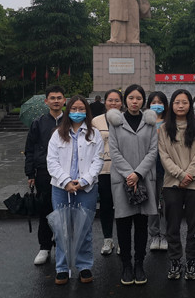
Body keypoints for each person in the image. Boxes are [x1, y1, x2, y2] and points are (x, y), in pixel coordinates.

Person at [47, 95, 104, 285]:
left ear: (86, 111)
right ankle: (62, 268)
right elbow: (52, 161)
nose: (77, 112)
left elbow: (98, 160)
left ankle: (84, 265)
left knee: (84, 228)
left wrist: (85, 180)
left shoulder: (94, 134)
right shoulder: (57, 134)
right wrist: (66, 181)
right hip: (61, 188)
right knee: (62, 228)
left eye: (81, 109)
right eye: (74, 109)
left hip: (86, 188)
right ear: (67, 110)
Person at [107, 84, 158, 285]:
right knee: (123, 223)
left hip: (143, 179)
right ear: (125, 100)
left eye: (138, 98)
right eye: (131, 98)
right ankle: (126, 265)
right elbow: (114, 151)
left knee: (141, 223)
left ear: (143, 100)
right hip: (123, 180)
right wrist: (129, 174)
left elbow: (153, 151)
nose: (134, 101)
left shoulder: (150, 123)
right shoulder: (116, 123)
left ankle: (139, 263)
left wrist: (138, 173)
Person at [158, 89, 195, 280]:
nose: (180, 106)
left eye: (184, 102)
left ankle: (192, 261)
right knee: (173, 225)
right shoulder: (164, 129)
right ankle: (175, 260)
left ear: (190, 105)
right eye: (177, 102)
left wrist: (189, 175)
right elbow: (164, 156)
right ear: (172, 105)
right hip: (172, 184)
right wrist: (180, 175)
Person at [24, 85, 66, 265]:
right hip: (44, 172)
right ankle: (45, 246)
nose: (56, 101)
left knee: (65, 210)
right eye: (53, 98)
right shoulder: (38, 123)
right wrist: (30, 173)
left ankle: (64, 244)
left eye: (59, 97)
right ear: (46, 101)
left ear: (64, 100)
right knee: (45, 210)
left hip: (67, 173)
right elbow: (30, 149)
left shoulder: (70, 121)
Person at [92, 89, 123, 256]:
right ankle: (107, 239)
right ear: (105, 102)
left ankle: (122, 240)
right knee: (106, 205)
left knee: (123, 206)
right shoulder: (96, 121)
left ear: (121, 103)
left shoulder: (126, 119)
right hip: (104, 170)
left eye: (117, 100)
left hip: (123, 171)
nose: (113, 103)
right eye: (110, 100)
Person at [146, 91, 169, 251]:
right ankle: (154, 235)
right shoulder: (144, 122)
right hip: (150, 169)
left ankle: (166, 235)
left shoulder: (170, 122)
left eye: (160, 102)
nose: (156, 105)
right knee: (152, 204)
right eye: (153, 102)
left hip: (167, 169)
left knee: (167, 204)